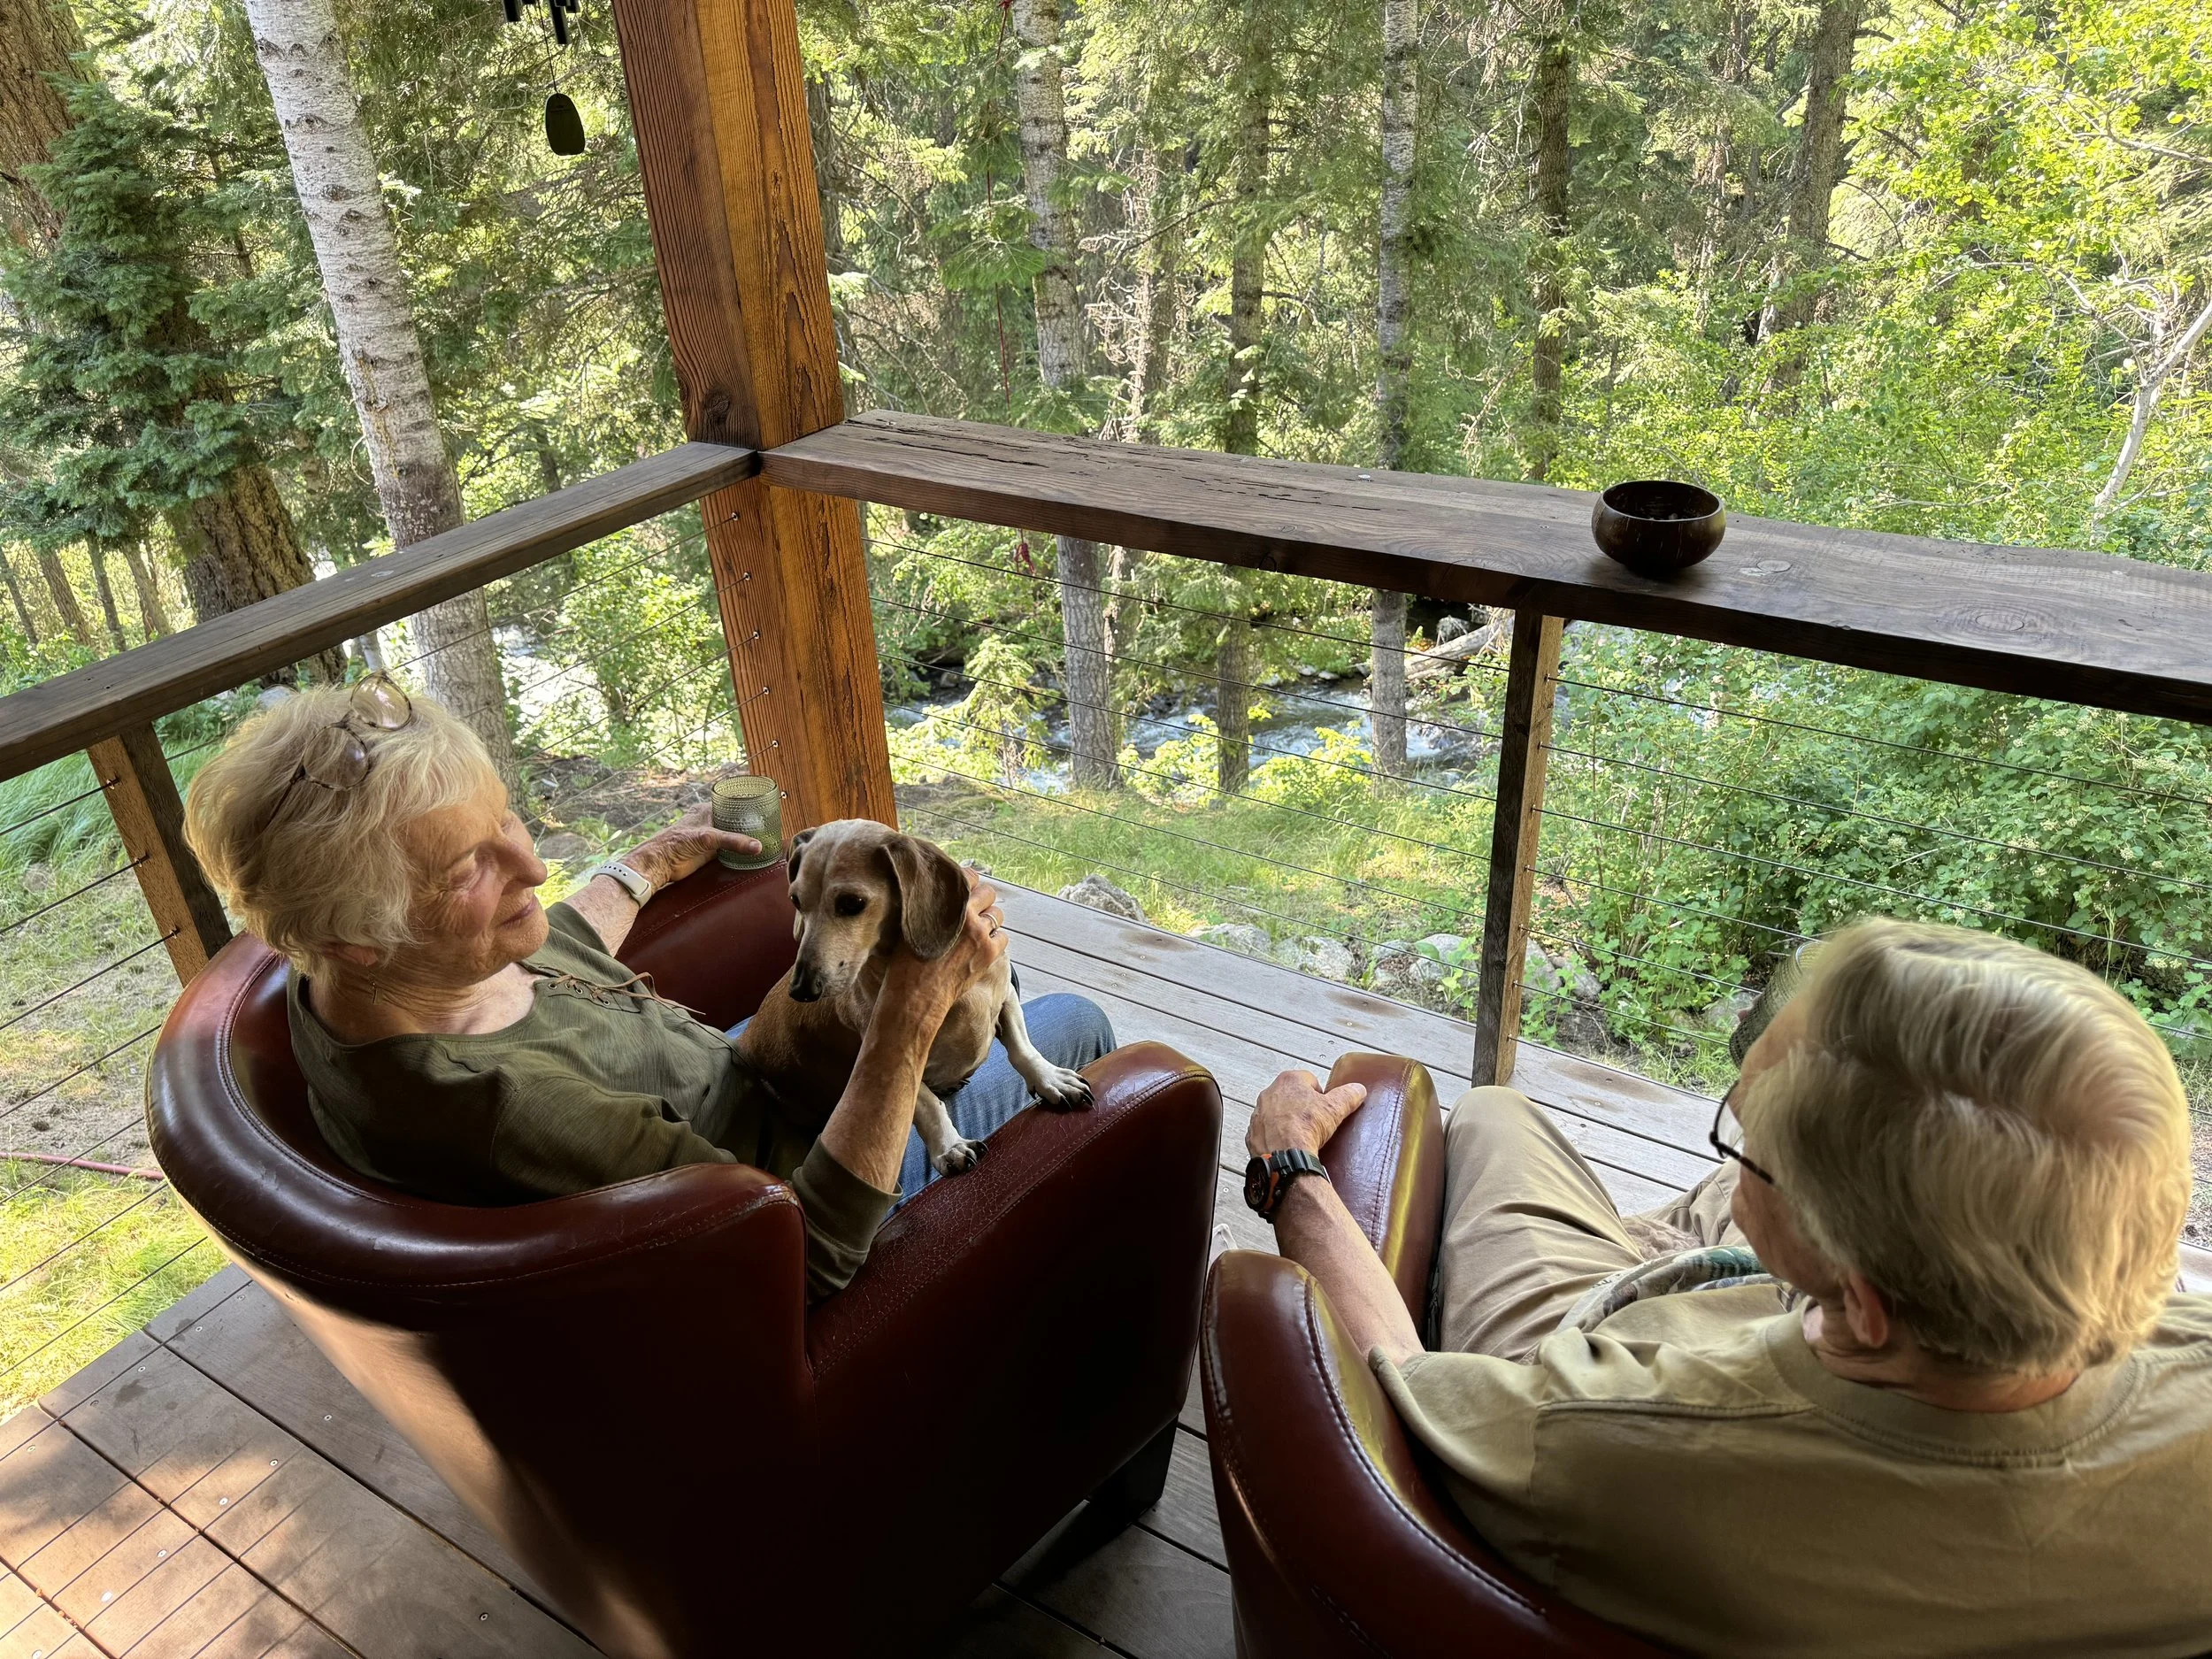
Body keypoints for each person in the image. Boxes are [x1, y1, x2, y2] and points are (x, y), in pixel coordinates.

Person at [1246, 918, 2212, 1656]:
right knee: (1738, 1194)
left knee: (1496, 1115)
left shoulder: (1607, 1438)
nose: (1740, 1132)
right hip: (1791, 1302)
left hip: (1616, 1349)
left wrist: (1293, 1172)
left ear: (1864, 1304)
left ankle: (1646, 1245)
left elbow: (1389, 1382)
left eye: (1746, 1137)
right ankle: (1689, 1226)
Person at [183, 676, 1115, 1301]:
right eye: (474, 861)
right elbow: (817, 1252)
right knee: (1073, 1022)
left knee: (980, 986)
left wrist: (655, 858)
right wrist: (907, 1019)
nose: (534, 864)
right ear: (360, 937)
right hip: (803, 1176)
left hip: (735, 1071)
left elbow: (556, 944)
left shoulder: (383, 979)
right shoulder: (507, 1110)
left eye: (505, 816)